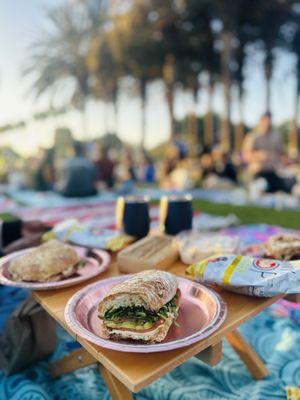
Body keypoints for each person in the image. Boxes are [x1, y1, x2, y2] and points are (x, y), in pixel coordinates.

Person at [242, 112, 293, 193]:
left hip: (272, 172)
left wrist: (284, 161)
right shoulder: (252, 136)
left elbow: (282, 153)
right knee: (260, 188)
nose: (267, 124)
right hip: (256, 173)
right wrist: (260, 156)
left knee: (286, 188)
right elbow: (245, 155)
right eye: (265, 121)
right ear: (260, 121)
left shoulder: (276, 136)